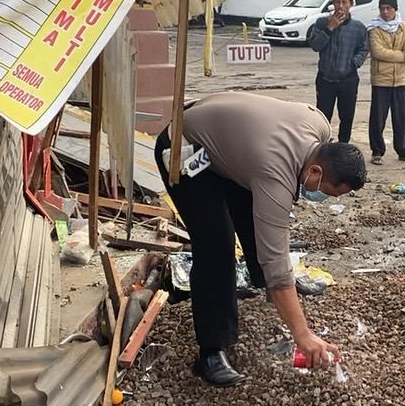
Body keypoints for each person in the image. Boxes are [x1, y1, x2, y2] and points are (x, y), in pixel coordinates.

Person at [154, 93, 367, 386]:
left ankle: (264, 282)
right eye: (327, 191)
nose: (323, 197)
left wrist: (278, 281)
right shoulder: (274, 174)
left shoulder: (319, 126)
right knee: (216, 244)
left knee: (259, 223)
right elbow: (276, 258)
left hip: (231, 148)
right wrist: (302, 335)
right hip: (186, 147)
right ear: (315, 170)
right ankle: (211, 351)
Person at [366, 0, 405, 165]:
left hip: (399, 81)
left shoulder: (403, 27)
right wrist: (401, 56)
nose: (385, 11)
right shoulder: (374, 28)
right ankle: (377, 151)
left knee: (401, 117)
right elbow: (378, 52)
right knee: (378, 117)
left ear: (395, 9)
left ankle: (403, 151)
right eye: (382, 8)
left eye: (388, 8)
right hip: (381, 80)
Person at [307, 0, 368, 143]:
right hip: (326, 79)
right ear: (333, 3)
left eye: (344, 2)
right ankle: (321, 148)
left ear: (351, 4)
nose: (341, 6)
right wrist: (330, 28)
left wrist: (354, 64)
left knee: (346, 117)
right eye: (337, 2)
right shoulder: (321, 23)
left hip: (348, 80)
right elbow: (315, 46)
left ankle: (343, 149)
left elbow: (364, 48)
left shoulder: (358, 28)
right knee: (322, 117)